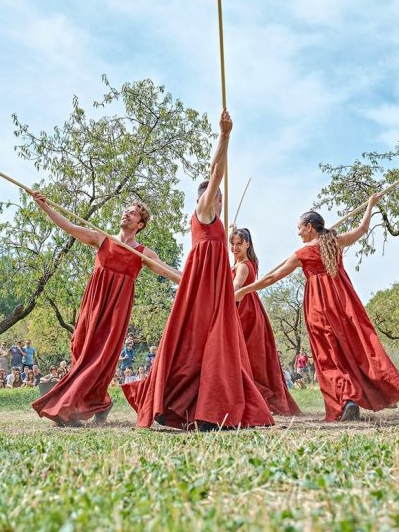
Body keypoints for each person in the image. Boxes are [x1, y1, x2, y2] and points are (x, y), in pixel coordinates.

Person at [123, 110, 274, 431]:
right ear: (213, 198)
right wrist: (225, 135)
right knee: (203, 342)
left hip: (214, 288)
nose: (216, 198)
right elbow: (216, 171)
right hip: (204, 288)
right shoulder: (204, 210)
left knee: (211, 346)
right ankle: (190, 407)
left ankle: (204, 409)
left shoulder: (215, 222)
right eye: (214, 194)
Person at [236, 197, 399, 422]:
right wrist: (370, 205)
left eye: (299, 228)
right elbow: (363, 229)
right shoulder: (334, 242)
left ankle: (346, 399)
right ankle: (354, 395)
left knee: (327, 354)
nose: (298, 233)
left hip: (318, 305)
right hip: (342, 301)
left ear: (309, 227)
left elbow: (271, 278)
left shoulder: (302, 253)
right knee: (351, 348)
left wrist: (244, 291)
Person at [30, 189, 181, 427]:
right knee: (80, 349)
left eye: (132, 214)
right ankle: (102, 402)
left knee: (100, 357)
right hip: (93, 304)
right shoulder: (103, 239)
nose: (126, 215)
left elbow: (171, 273)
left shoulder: (143, 253)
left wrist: (200, 281)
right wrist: (44, 206)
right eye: (126, 211)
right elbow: (69, 227)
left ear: (140, 224)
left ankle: (66, 411)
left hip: (116, 311)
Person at [230, 227, 301, 416]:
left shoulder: (244, 266)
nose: (235, 248)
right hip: (250, 311)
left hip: (244, 313)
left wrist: (225, 292)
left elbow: (236, 284)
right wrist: (232, 230)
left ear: (248, 244)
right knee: (248, 357)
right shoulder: (246, 262)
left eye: (239, 244)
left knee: (243, 356)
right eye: (232, 244)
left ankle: (252, 398)